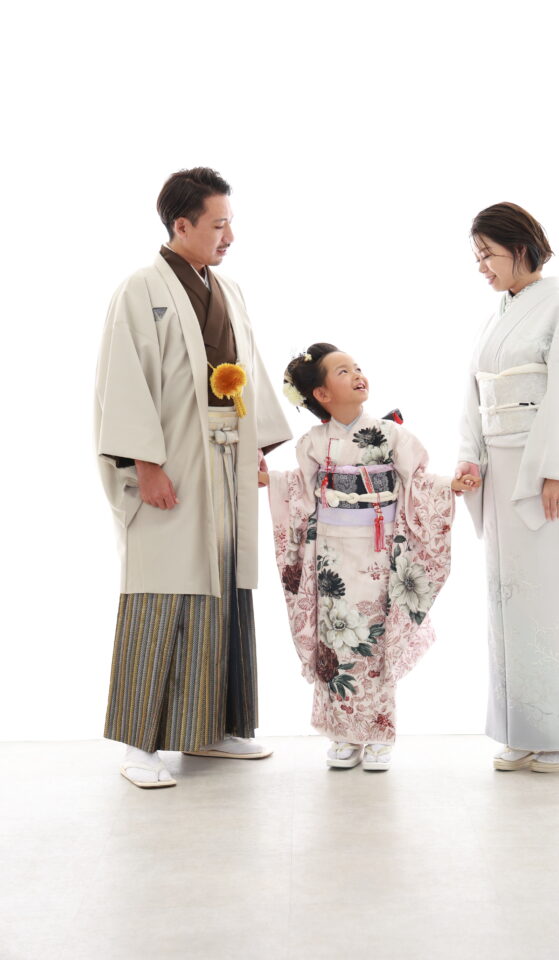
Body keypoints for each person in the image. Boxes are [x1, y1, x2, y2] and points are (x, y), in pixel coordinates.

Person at [95, 167, 292, 788]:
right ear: (181, 225)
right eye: (218, 224)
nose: (229, 236)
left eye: (230, 223)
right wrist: (145, 464)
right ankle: (140, 744)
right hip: (173, 457)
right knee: (163, 587)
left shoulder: (228, 290)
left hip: (226, 456)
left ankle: (210, 730)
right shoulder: (140, 289)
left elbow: (247, 370)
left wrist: (254, 446)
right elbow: (124, 379)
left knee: (225, 581)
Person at [262, 343, 478, 771]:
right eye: (343, 371)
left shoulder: (391, 434)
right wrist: (271, 481)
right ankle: (342, 734)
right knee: (335, 638)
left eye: (357, 367)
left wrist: (449, 487)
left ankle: (379, 733)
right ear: (321, 394)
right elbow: (300, 490)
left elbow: (418, 481)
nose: (357, 374)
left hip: (379, 554)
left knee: (374, 639)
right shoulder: (312, 443)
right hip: (331, 556)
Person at [456, 202, 559, 774]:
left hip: (544, 470)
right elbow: (476, 392)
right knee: (511, 599)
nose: (481, 267)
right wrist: (470, 456)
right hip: (501, 470)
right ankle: (526, 730)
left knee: (556, 595)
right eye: (477, 257)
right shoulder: (498, 315)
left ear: (520, 249)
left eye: (487, 255)